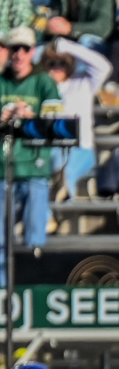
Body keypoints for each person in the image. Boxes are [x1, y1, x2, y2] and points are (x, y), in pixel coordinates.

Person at [0, 29, 62, 260]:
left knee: (34, 237)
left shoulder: (44, 81)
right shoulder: (2, 81)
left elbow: (57, 121)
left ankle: (30, 281)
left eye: (24, 49)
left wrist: (31, 116)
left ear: (33, 51)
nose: (19, 54)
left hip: (34, 164)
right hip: (2, 165)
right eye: (14, 48)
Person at [42, 40, 110, 200]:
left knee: (67, 172)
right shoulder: (40, 88)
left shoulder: (84, 82)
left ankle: (61, 199)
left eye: (62, 63)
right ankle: (55, 211)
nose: (57, 68)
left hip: (82, 149)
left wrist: (67, 47)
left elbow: (104, 66)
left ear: (71, 64)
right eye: (52, 63)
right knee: (46, 174)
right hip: (51, 150)